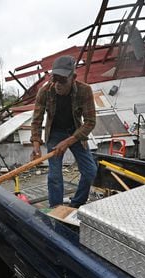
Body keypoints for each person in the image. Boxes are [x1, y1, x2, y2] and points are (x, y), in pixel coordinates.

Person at [30, 55, 97, 208]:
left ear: (73, 77)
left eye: (62, 80)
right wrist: (36, 146)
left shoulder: (84, 91)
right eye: (55, 79)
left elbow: (90, 122)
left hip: (75, 132)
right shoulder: (45, 91)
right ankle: (56, 209)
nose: (57, 85)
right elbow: (37, 120)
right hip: (54, 133)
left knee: (90, 171)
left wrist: (68, 141)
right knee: (54, 176)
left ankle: (76, 204)